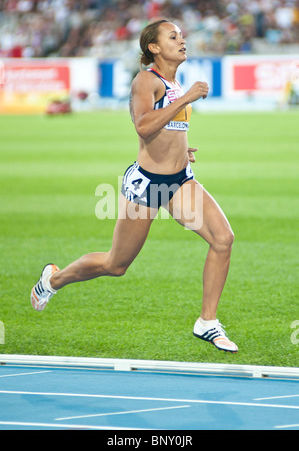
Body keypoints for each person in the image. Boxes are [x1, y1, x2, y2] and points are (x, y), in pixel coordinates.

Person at [31, 19, 238, 353]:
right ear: (154, 48)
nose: (182, 40)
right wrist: (186, 98)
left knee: (223, 239)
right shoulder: (146, 80)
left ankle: (207, 322)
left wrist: (181, 148)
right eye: (173, 37)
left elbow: (166, 127)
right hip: (147, 184)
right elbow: (142, 126)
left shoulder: (172, 81)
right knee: (116, 265)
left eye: (182, 36)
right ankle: (53, 279)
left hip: (180, 180)